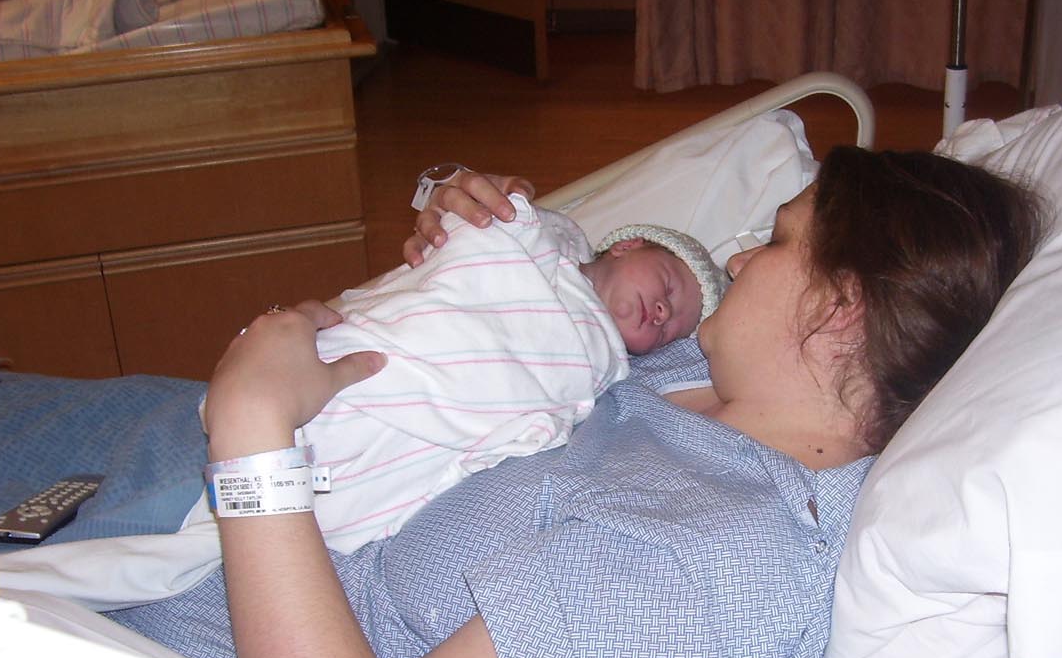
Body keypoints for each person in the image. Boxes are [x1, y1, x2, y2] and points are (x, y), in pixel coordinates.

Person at [103, 147, 1044, 658]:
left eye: (775, 241)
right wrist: (481, 246)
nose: (737, 259)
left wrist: (253, 432)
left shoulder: (697, 567)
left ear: (839, 308)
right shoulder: (701, 373)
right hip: (188, 507)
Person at [181, 186, 728, 551]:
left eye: (669, 326)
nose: (661, 312)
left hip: (418, 423)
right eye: (667, 285)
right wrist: (457, 189)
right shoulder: (539, 242)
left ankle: (250, 482)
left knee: (320, 468)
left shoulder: (604, 362)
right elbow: (468, 230)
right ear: (627, 246)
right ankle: (248, 456)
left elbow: (556, 402)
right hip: (370, 355)